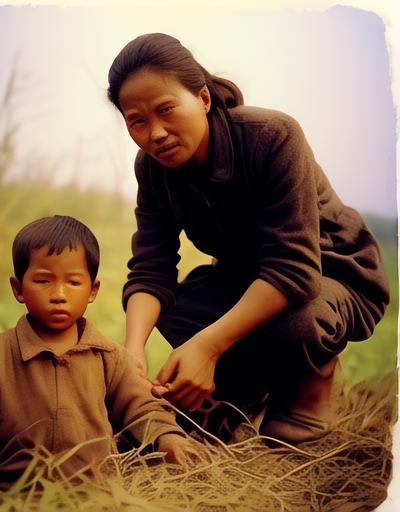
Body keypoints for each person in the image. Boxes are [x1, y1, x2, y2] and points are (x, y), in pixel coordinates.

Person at [107, 33, 390, 444]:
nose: (156, 134)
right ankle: (244, 394)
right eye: (137, 121)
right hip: (244, 276)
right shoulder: (151, 168)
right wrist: (132, 353)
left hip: (328, 275)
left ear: (202, 98)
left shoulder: (272, 136)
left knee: (299, 321)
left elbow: (293, 269)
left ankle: (313, 379)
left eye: (166, 109)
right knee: (174, 309)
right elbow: (151, 268)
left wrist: (206, 348)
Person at [0, 215, 191, 509]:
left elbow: (141, 407)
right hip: (10, 498)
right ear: (18, 288)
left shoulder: (109, 357)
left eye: (73, 282)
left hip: (96, 500)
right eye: (43, 280)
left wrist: (168, 437)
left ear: (93, 290)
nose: (59, 295)